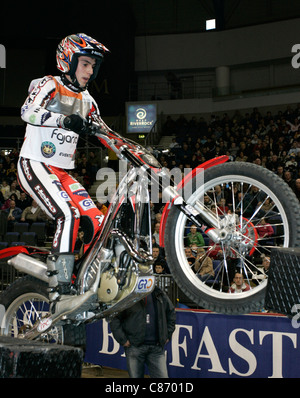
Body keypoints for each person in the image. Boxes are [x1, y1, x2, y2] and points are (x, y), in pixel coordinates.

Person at [16, 33, 110, 314]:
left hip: (63, 172)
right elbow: (26, 111)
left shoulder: (89, 100)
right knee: (68, 214)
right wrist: (64, 119)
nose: (90, 71)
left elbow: (106, 133)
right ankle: (60, 289)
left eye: (94, 66)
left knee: (98, 221)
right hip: (34, 163)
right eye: (85, 64)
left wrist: (137, 151)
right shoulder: (50, 84)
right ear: (68, 60)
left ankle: (83, 281)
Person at [109, 286, 176, 378]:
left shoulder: (159, 293)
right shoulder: (127, 294)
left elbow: (171, 312)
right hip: (134, 347)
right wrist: (123, 339)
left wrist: (167, 334)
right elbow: (114, 317)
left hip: (156, 348)